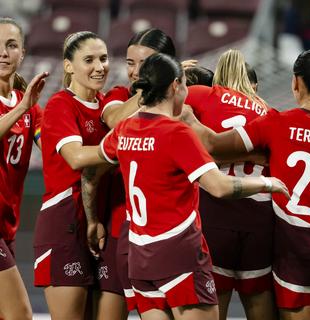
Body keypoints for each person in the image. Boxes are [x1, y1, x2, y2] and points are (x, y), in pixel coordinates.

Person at [81, 52, 289, 320]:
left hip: (139, 256)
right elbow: (220, 187)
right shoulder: (177, 133)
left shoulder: (125, 130)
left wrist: (91, 217)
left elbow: (89, 172)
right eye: (186, 85)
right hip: (179, 254)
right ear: (175, 87)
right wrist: (266, 182)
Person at [183, 49, 310, 320]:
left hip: (234, 219)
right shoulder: (267, 108)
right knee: (258, 300)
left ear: (295, 82)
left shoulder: (275, 120)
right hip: (259, 222)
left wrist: (187, 114)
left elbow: (211, 144)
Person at [97, 28, 197, 312]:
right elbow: (115, 121)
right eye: (130, 63)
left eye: (146, 64)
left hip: (176, 232)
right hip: (124, 229)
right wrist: (154, 86)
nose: (136, 72)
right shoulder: (116, 96)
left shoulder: (184, 99)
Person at [32, 31, 127, 320]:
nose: (100, 67)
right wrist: (122, 144)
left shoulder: (110, 107)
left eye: (103, 58)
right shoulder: (61, 104)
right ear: (69, 66)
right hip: (65, 224)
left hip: (104, 226)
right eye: (89, 60)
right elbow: (75, 158)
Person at [185, 49, 277, 320]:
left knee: (214, 303)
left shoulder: (204, 94)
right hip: (260, 215)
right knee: (259, 298)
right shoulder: (270, 111)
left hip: (215, 209)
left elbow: (164, 97)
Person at [0, 17, 48, 320]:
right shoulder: (25, 106)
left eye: (11, 45)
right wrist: (21, 107)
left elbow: (58, 153)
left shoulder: (32, 107)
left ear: (23, 53)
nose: (3, 53)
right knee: (19, 314)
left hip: (7, 227)